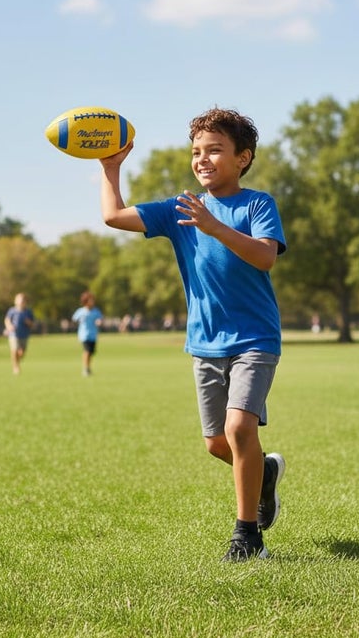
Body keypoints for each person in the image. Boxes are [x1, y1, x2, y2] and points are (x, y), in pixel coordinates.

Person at [99, 107, 287, 562]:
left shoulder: (257, 204)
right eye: (196, 151)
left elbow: (265, 257)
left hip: (254, 338)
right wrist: (110, 167)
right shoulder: (178, 209)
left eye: (214, 150)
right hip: (204, 342)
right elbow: (114, 216)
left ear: (242, 158)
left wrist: (214, 226)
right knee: (217, 444)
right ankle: (263, 474)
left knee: (239, 427)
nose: (202, 159)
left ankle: (247, 538)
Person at [71, 291, 103, 376]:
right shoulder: (81, 311)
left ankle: (88, 367)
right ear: (85, 301)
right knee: (87, 351)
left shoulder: (96, 311)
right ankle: (85, 368)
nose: (92, 302)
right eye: (90, 300)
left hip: (93, 335)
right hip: (84, 334)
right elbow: (74, 319)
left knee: (91, 352)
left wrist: (99, 322)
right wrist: (77, 322)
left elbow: (100, 319)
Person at [4, 293, 35, 374]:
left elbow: (33, 324)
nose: (21, 302)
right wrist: (9, 326)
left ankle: (17, 362)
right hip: (14, 334)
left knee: (21, 353)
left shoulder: (28, 312)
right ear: (15, 301)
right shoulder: (12, 311)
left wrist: (28, 322)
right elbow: (7, 320)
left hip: (24, 335)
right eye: (19, 300)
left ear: (25, 302)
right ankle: (15, 366)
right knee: (14, 350)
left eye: (22, 300)